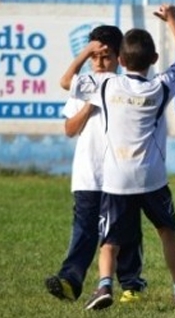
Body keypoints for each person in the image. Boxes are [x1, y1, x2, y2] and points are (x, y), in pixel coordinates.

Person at [74, 4, 175, 311]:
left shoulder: (105, 84)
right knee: (166, 232)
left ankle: (104, 285)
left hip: (116, 178)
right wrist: (172, 20)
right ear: (154, 60)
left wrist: (88, 50)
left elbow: (68, 81)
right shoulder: (160, 86)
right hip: (152, 176)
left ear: (120, 60)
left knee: (110, 240)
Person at [45, 25, 147, 304]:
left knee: (125, 229)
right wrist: (90, 104)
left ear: (120, 58)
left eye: (106, 57)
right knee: (85, 228)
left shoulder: (125, 87)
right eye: (94, 57)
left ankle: (131, 283)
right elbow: (69, 128)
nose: (100, 63)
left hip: (121, 171)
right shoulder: (86, 85)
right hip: (88, 172)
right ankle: (70, 279)